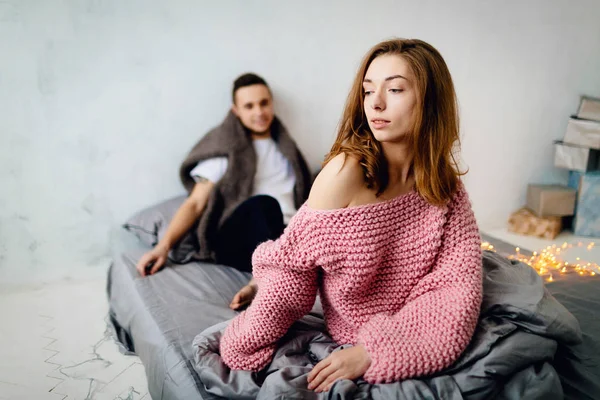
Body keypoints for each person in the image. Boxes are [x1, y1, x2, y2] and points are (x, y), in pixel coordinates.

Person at [218, 39, 483, 392]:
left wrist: (374, 352)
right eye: (368, 90)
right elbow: (293, 271)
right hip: (351, 324)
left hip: (407, 320)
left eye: (396, 89)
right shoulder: (346, 172)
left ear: (430, 99)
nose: (376, 102)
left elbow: (457, 283)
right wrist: (247, 337)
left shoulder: (443, 184)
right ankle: (255, 280)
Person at [135, 73, 312, 310]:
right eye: (249, 106)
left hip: (285, 236)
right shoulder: (226, 149)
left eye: (263, 103)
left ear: (271, 103)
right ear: (236, 110)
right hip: (238, 239)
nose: (259, 112)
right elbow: (195, 203)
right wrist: (163, 247)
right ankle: (261, 280)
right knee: (266, 204)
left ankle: (276, 266)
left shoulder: (287, 149)